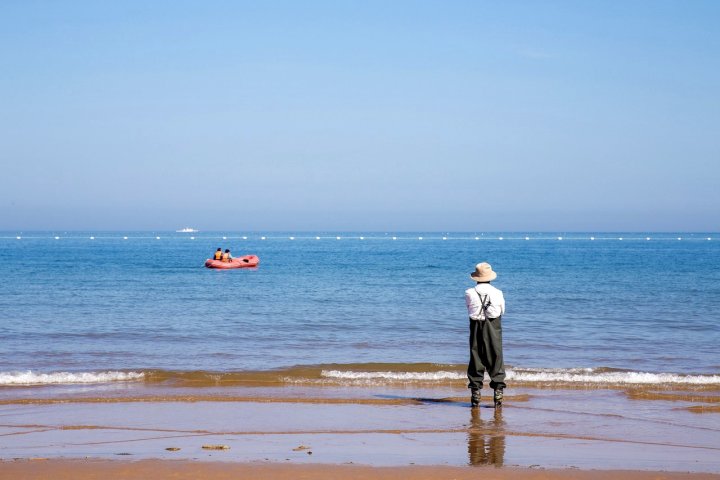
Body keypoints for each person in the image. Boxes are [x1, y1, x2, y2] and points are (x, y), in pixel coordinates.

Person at [465, 262, 506, 408]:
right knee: (496, 358)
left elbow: (469, 309)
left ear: (476, 278)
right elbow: (501, 311)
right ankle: (498, 394)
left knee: (476, 358)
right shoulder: (498, 292)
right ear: (490, 277)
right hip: (493, 327)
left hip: (476, 326)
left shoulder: (469, 292)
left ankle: (475, 395)